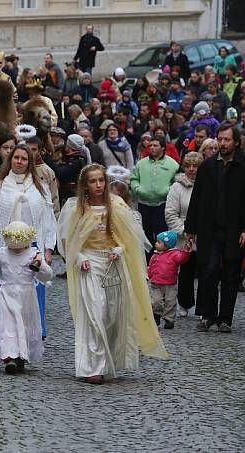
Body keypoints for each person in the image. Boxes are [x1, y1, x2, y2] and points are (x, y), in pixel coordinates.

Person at [58, 164, 168, 384]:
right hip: (89, 262)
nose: (98, 185)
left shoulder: (116, 205)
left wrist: (120, 249)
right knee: (93, 313)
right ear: (85, 185)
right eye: (93, 181)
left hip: (112, 263)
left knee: (110, 313)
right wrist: (79, 258)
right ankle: (92, 367)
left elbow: (131, 238)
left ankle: (106, 362)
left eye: (101, 180)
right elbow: (67, 241)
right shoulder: (75, 208)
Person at [185, 123, 245, 333]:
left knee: (230, 273)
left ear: (236, 141)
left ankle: (225, 318)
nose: (222, 143)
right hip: (209, 228)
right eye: (220, 139)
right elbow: (196, 199)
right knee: (208, 270)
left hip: (235, 229)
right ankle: (207, 315)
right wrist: (190, 228)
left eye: (227, 139)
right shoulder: (208, 166)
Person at [0, 144, 56, 341]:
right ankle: (6, 337)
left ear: (30, 162)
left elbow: (48, 220)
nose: (19, 161)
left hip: (32, 247)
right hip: (5, 246)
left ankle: (30, 334)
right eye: (16, 158)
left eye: (24, 158)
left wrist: (48, 248)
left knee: (31, 295)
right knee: (4, 295)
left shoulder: (40, 188)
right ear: (10, 160)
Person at [0, 218, 53, 374]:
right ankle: (10, 357)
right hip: (7, 295)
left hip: (27, 297)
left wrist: (41, 264)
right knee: (8, 326)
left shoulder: (33, 255)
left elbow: (47, 276)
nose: (16, 249)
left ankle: (21, 355)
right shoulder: (2, 254)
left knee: (25, 325)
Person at [130, 137, 178, 260]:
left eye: (155, 145)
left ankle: (161, 259)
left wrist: (168, 191)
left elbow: (176, 181)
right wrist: (138, 189)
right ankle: (147, 260)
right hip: (144, 204)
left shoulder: (172, 164)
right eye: (150, 145)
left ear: (163, 147)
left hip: (162, 204)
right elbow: (134, 178)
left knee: (161, 234)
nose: (152, 147)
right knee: (145, 234)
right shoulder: (141, 163)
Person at [148, 230, 191, 329]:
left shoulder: (175, 254)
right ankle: (156, 315)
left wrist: (185, 251)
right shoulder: (155, 255)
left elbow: (182, 259)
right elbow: (151, 266)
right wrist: (149, 275)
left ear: (167, 245)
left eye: (159, 242)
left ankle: (169, 319)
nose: (156, 243)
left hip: (170, 284)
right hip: (156, 283)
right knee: (156, 301)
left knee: (170, 302)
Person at [43, 134, 87, 204]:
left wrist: (48, 158)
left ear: (70, 145)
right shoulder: (74, 158)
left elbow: (61, 173)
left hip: (70, 196)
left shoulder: (76, 161)